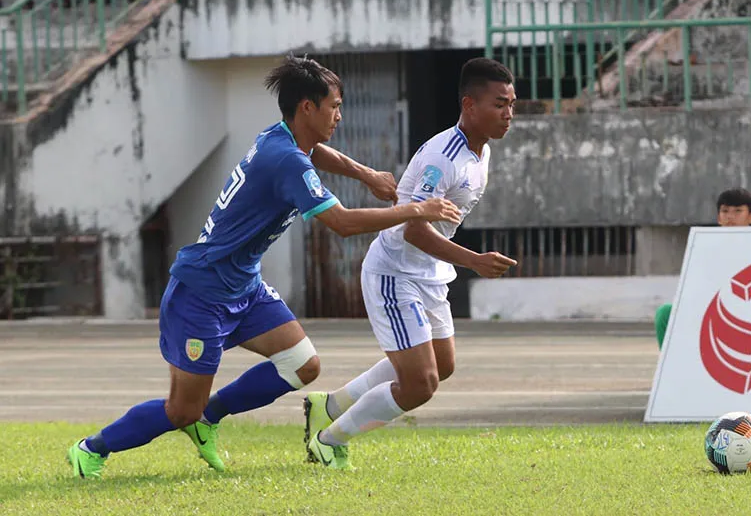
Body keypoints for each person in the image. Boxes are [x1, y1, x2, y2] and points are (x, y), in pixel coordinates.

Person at [65, 54, 461, 479]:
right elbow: (342, 223)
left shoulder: (283, 138)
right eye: (334, 107)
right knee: (180, 409)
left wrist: (365, 174)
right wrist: (416, 208)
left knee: (303, 364)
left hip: (244, 287)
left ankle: (209, 417)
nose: (339, 116)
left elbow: (319, 153)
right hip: (202, 292)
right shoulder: (286, 160)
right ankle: (92, 448)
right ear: (307, 107)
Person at [302, 57, 519, 470]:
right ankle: (329, 441)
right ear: (469, 105)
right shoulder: (446, 157)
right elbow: (414, 230)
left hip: (429, 272)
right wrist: (475, 261)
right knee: (421, 383)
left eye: (511, 104)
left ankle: (328, 406)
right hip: (395, 272)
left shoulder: (481, 151)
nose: (508, 114)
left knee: (441, 365)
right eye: (499, 104)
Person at [654, 187, 751, 349]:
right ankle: (673, 369)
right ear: (718, 217)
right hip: (709, 308)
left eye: (738, 211)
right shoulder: (704, 246)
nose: (730, 217)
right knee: (665, 313)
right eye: (725, 211)